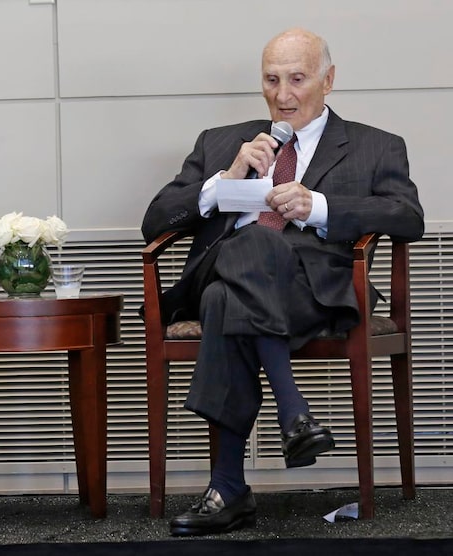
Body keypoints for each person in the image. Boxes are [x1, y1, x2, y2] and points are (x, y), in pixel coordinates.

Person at [141, 28, 424, 536]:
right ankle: (294, 414)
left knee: (223, 296)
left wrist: (317, 207)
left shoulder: (375, 146)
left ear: (328, 80)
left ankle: (227, 489)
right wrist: (225, 180)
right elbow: (156, 218)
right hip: (235, 274)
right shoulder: (221, 142)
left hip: (313, 291)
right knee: (243, 254)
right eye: (272, 80)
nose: (283, 94)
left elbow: (408, 217)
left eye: (297, 79)